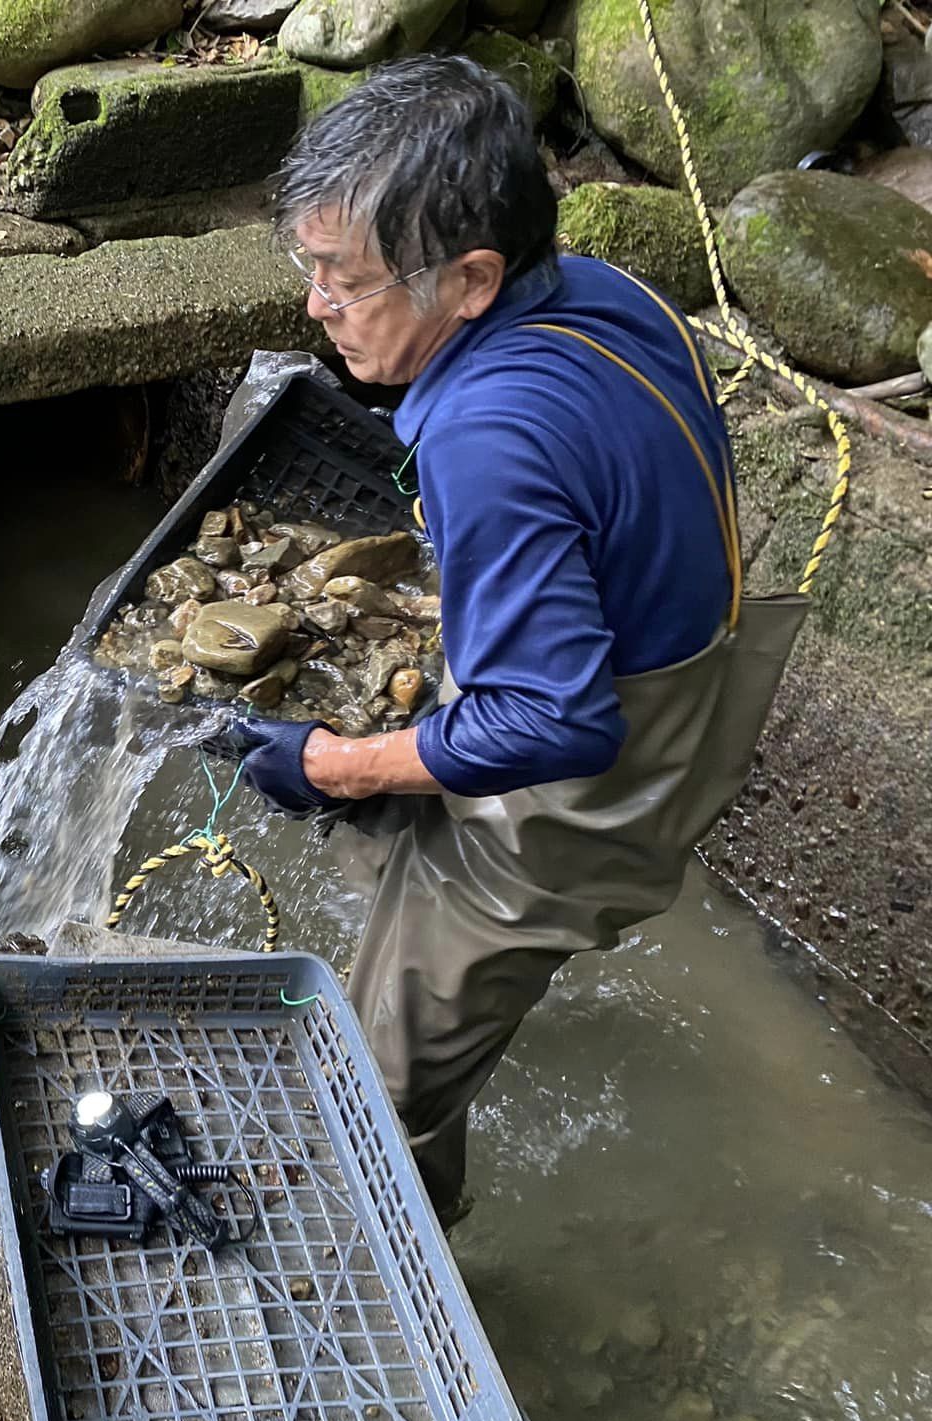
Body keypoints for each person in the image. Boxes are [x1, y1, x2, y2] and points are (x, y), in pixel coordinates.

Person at [212, 56, 806, 1224]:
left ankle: (382, 1270)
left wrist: (327, 763)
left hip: (586, 787)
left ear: (471, 278)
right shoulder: (599, 289)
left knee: (376, 1087)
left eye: (342, 284)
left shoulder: (488, 439)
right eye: (308, 271)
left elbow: (555, 722)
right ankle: (410, 918)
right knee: (384, 837)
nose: (313, 310)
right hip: (691, 670)